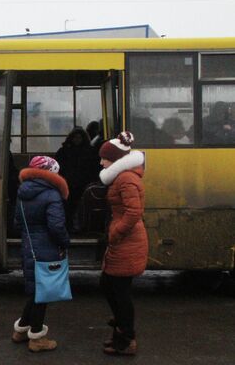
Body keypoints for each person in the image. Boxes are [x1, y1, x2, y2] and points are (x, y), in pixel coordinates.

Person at [11, 156, 69, 353]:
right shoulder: (52, 195)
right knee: (43, 293)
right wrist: (65, 242)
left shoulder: (22, 193)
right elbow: (56, 226)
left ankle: (20, 331)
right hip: (47, 247)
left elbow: (17, 223)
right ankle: (36, 338)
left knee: (37, 289)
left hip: (29, 246)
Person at [98, 131, 147, 356]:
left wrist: (116, 233)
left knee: (119, 290)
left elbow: (133, 211)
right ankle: (121, 329)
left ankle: (126, 338)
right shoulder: (122, 176)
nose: (101, 162)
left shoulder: (126, 178)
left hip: (127, 240)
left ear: (116, 160)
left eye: (104, 158)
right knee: (111, 286)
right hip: (124, 240)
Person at [55, 127, 100, 229]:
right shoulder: (65, 151)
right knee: (69, 207)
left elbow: (93, 168)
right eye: (75, 137)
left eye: (79, 137)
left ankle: (79, 226)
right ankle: (71, 226)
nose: (77, 140)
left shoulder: (88, 152)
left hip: (82, 184)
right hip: (70, 183)